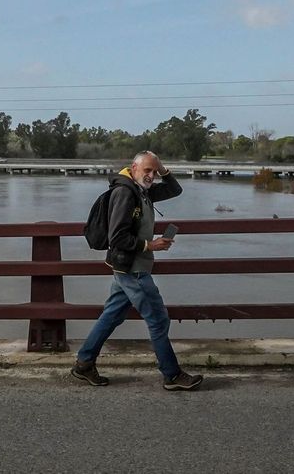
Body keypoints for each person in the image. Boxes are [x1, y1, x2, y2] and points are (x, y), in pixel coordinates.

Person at [71, 150, 203, 390]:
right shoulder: (125, 193)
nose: (152, 175)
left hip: (126, 267)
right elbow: (117, 236)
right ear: (133, 168)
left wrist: (162, 167)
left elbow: (175, 190)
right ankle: (172, 375)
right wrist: (150, 245)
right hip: (133, 269)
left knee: (111, 315)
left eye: (154, 171)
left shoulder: (142, 190)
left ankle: (84, 363)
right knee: (158, 319)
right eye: (147, 170)